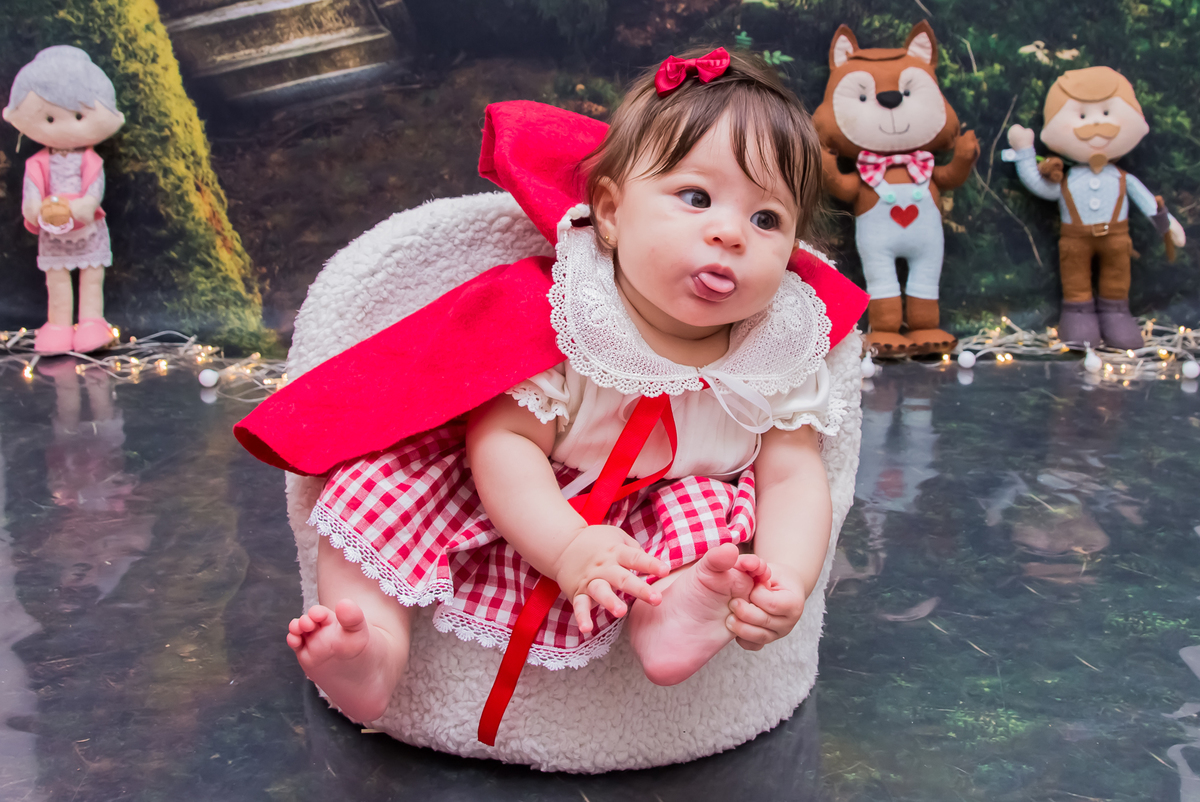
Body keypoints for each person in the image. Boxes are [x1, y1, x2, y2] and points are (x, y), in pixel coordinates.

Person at [261, 48, 865, 726]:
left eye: (767, 219)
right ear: (610, 212)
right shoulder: (575, 313)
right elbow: (504, 441)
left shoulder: (778, 346)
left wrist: (787, 579)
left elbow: (793, 475)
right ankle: (370, 644)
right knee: (375, 489)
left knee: (716, 526)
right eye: (696, 198)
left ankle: (675, 618)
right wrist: (567, 546)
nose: (730, 234)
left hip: (659, 518)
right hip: (525, 499)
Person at [1005, 66, 1186, 350]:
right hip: (1074, 242)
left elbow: (1148, 202)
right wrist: (1024, 153)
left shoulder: (1123, 179)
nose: (1097, 125)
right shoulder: (1067, 180)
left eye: (1105, 113)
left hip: (1117, 240)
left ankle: (1117, 314)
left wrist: (1168, 224)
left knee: (1117, 279)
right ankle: (1077, 314)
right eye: (1082, 116)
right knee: (1075, 281)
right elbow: (1039, 186)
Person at [3, 46, 126, 355]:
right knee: (56, 280)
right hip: (52, 230)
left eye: (78, 116)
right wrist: (36, 210)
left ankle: (91, 322)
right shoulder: (37, 163)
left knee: (92, 276)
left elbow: (94, 191)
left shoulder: (92, 160)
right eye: (49, 117)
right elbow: (31, 194)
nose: (65, 126)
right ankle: (58, 325)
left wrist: (83, 207)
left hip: (88, 228)